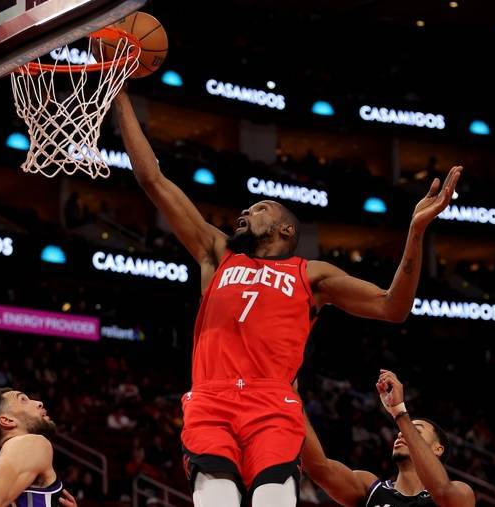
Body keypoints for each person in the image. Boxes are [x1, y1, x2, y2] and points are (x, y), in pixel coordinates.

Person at [115, 90, 462, 507]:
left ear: (286, 230)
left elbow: (393, 306)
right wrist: (120, 95)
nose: (245, 213)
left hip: (272, 402)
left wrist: (416, 232)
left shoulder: (311, 274)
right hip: (211, 396)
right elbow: (153, 179)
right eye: (246, 209)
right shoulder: (216, 253)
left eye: (260, 208)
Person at [300, 370, 475, 507]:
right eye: (402, 431)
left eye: (416, 431)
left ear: (437, 449)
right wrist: (291, 399)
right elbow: (318, 467)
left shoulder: (461, 492)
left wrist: (400, 413)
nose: (401, 433)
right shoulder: (370, 488)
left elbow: (442, 491)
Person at [0, 388, 77, 507]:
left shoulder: (12, 455)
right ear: (7, 420)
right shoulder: (32, 442)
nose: (39, 403)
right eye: (23, 399)